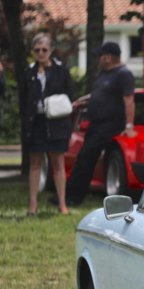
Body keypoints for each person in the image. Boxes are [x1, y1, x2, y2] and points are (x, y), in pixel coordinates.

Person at [64, 41, 135, 206]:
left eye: (101, 56)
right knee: (83, 158)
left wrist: (129, 125)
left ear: (108, 57)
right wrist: (82, 101)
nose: (99, 59)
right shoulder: (104, 74)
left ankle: (73, 198)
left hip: (109, 125)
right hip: (96, 124)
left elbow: (129, 100)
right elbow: (97, 94)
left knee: (87, 157)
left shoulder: (123, 74)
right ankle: (69, 195)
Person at [23, 33, 74, 215]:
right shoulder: (29, 72)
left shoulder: (61, 71)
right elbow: (24, 100)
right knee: (35, 163)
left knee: (58, 163)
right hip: (36, 122)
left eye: (44, 49)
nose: (40, 53)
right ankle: (32, 205)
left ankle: (62, 204)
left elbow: (70, 95)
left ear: (51, 50)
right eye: (37, 50)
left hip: (56, 122)